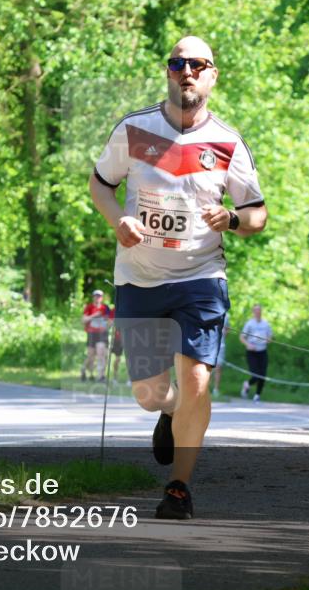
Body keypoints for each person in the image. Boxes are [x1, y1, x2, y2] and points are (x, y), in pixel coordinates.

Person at [88, 35, 268, 520]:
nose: (186, 71)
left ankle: (179, 489)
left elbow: (257, 215)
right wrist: (117, 221)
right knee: (149, 394)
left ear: (212, 75)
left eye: (197, 64)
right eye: (177, 63)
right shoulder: (134, 130)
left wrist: (230, 219)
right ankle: (169, 414)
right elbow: (100, 184)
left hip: (201, 278)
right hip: (141, 278)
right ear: (168, 72)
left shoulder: (228, 142)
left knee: (197, 382)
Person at [240, 305, 272, 402]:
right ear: (253, 312)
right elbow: (242, 337)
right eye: (256, 311)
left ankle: (257, 395)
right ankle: (247, 384)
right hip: (252, 352)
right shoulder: (249, 324)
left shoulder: (266, 324)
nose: (258, 313)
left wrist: (268, 340)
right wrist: (248, 344)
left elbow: (270, 337)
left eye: (259, 311)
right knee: (255, 375)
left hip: (262, 352)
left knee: (263, 375)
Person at [81, 290, 112, 383]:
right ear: (93, 297)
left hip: (102, 334)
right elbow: (83, 320)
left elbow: (110, 320)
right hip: (91, 333)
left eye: (99, 296)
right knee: (91, 355)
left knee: (101, 354)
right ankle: (83, 369)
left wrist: (107, 326)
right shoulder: (89, 307)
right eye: (96, 296)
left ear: (102, 298)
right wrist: (94, 315)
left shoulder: (105, 308)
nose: (98, 298)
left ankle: (101, 376)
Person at [211, 313, 228, 397]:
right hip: (209, 345)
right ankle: (203, 388)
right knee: (208, 368)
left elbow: (227, 330)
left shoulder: (226, 316)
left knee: (219, 367)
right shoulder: (211, 313)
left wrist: (225, 332)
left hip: (221, 345)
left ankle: (216, 389)